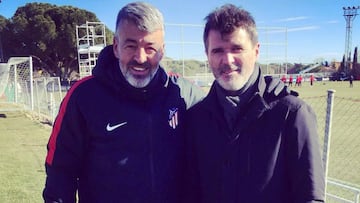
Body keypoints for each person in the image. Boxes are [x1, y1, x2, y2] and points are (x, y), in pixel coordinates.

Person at [42, 2, 205, 202]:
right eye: (131, 45)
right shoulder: (83, 96)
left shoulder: (184, 94)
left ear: (162, 51)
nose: (140, 57)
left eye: (150, 48)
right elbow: (60, 171)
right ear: (116, 46)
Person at [184, 4, 325, 203]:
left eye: (236, 49)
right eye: (217, 51)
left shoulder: (292, 114)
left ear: (256, 51)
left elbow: (310, 198)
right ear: (207, 55)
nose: (227, 60)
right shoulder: (195, 119)